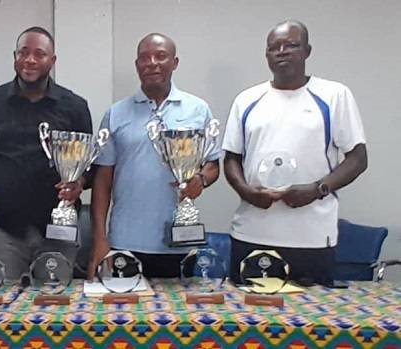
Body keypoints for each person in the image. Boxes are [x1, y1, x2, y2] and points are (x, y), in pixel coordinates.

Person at [222, 20, 367, 286]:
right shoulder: (247, 99)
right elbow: (232, 157)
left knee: (313, 322)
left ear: (307, 51)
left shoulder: (334, 95)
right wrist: (246, 191)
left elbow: (358, 158)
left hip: (311, 237)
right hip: (253, 233)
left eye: (291, 45)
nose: (282, 52)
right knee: (246, 322)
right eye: (273, 47)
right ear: (266, 55)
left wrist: (317, 189)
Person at [0, 26, 92, 280]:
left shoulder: (75, 106)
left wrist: (80, 182)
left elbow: (87, 166)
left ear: (52, 61)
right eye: (23, 52)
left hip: (58, 230)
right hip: (6, 232)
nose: (30, 60)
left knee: (55, 310)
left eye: (39, 54)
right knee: (2, 314)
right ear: (14, 56)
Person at [87, 33, 220, 280]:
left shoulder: (198, 110)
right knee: (122, 317)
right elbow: (102, 179)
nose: (152, 63)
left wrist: (200, 180)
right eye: (144, 58)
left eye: (160, 56)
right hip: (125, 241)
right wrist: (100, 238)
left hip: (180, 240)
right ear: (137, 65)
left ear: (175, 62)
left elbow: (213, 165)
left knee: (176, 317)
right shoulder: (115, 114)